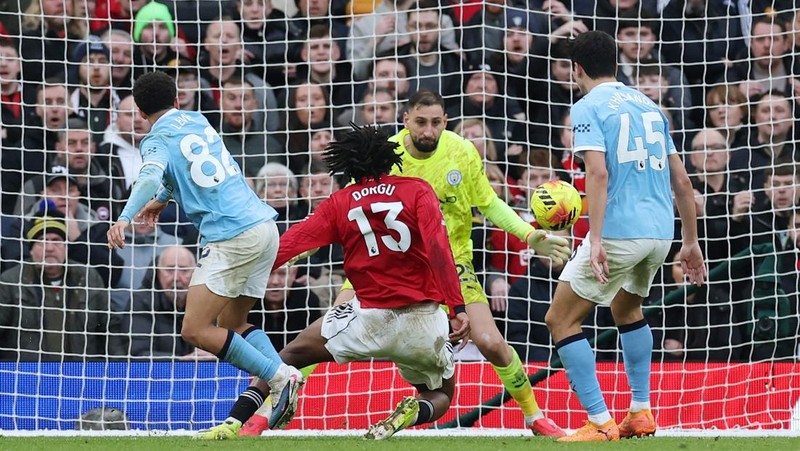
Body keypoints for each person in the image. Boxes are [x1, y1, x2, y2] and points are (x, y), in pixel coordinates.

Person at [322, 90, 569, 437]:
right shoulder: (384, 155)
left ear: (445, 121)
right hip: (388, 265)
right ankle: (267, 409)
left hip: (453, 263)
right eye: (421, 122)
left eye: (436, 122)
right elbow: (351, 207)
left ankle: (535, 417)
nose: (428, 131)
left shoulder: (462, 151)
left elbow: (489, 203)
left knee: (491, 342)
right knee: (328, 330)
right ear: (405, 119)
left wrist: (529, 236)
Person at [204, 123, 470, 440]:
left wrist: (237, 277)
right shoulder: (418, 190)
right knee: (440, 395)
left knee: (289, 356)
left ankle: (235, 422)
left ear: (346, 164)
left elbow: (288, 245)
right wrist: (457, 308)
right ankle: (415, 410)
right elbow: (440, 251)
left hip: (366, 318)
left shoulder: (339, 202)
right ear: (391, 157)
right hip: (423, 320)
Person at [106, 71, 303, 436]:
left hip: (232, 236)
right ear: (177, 99)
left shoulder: (155, 138)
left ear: (139, 109)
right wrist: (163, 200)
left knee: (195, 329)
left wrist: (125, 216)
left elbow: (149, 175)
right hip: (264, 227)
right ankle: (281, 376)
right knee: (231, 325)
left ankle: (280, 377)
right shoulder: (197, 119)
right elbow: (192, 168)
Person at [543, 31, 706, 442]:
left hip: (618, 231)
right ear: (616, 64)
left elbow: (597, 173)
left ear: (576, 70)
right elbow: (683, 181)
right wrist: (690, 241)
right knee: (626, 310)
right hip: (660, 232)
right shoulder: (649, 105)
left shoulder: (587, 106)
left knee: (560, 318)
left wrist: (595, 239)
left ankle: (599, 422)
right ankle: (640, 412)